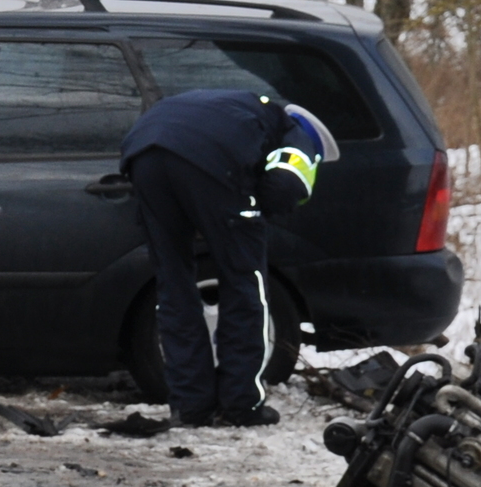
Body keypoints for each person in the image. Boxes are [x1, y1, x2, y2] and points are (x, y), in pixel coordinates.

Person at [120, 86, 330, 429]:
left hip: (143, 153)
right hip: (212, 159)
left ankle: (191, 406)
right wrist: (251, 208)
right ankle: (240, 404)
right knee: (245, 284)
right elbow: (285, 189)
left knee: (173, 286)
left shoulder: (233, 106)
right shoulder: (295, 134)